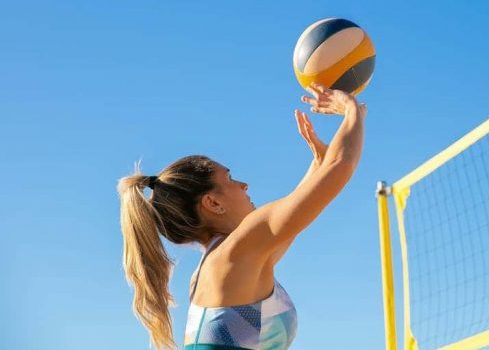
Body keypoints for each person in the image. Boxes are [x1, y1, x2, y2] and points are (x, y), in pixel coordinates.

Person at [116, 83, 366, 350]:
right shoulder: (236, 253)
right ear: (213, 202)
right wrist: (352, 111)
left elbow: (296, 217)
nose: (244, 185)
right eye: (230, 178)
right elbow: (341, 167)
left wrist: (318, 163)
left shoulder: (228, 260)